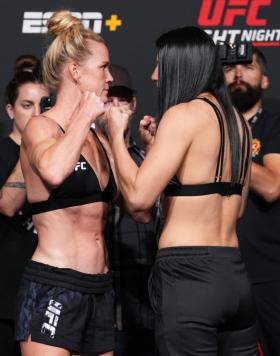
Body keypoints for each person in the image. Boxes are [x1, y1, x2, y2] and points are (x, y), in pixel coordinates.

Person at [107, 26, 258, 355]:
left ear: (181, 65)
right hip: (234, 277)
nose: (153, 75)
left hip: (190, 281)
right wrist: (154, 155)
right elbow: (236, 206)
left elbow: (137, 199)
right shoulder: (240, 124)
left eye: (160, 64)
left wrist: (117, 137)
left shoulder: (181, 115)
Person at [14, 10, 120, 356]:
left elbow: (138, 207)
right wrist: (84, 118)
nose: (109, 77)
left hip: (101, 287)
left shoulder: (98, 137)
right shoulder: (40, 127)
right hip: (55, 283)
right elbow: (55, 172)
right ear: (75, 71)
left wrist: (122, 138)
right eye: (103, 67)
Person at [224, 46, 280, 356]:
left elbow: (272, 185)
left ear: (266, 80)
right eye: (230, 68)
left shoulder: (274, 121)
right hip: (221, 270)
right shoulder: (208, 123)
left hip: (268, 272)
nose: (238, 74)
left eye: (249, 67)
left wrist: (231, 143)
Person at [104, 64, 160, 356]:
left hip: (149, 298)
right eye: (108, 100)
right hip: (105, 304)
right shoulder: (85, 157)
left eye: (122, 101)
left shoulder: (150, 155)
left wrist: (150, 152)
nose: (115, 108)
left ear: (134, 104)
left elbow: (150, 214)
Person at [0, 60, 49, 356]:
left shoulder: (59, 154)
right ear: (10, 110)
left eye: (44, 104)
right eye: (27, 105)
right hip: (7, 291)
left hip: (48, 287)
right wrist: (31, 147)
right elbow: (7, 206)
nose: (36, 113)